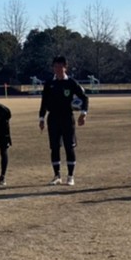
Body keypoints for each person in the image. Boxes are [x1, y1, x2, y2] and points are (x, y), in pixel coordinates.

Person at [38, 56, 88, 186]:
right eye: (55, 67)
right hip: (53, 118)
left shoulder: (71, 83)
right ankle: (57, 175)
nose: (58, 69)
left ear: (65, 67)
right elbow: (44, 102)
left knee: (69, 147)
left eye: (60, 66)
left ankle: (70, 176)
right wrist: (41, 118)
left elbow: (84, 98)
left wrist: (83, 114)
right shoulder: (49, 83)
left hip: (67, 118)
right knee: (54, 147)